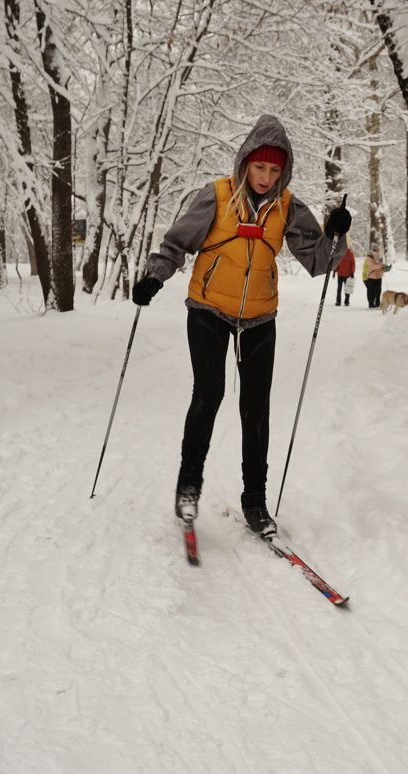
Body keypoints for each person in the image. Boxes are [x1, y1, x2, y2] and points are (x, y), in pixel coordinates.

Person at [130, 115, 351, 537]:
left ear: (283, 170)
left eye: (274, 169)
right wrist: (154, 277)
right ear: (246, 162)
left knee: (256, 407)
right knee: (209, 392)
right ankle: (189, 485)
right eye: (260, 167)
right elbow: (178, 242)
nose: (266, 177)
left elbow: (319, 260)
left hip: (259, 317)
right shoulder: (217, 195)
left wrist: (336, 235)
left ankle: (255, 502)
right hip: (208, 309)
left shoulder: (288, 207)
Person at [334, 241, 355, 306]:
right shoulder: (349, 253)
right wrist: (334, 271)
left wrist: (352, 272)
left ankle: (341, 302)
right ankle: (345, 302)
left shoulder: (345, 253)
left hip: (343, 274)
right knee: (345, 288)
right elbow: (337, 263)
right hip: (344, 274)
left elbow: (352, 264)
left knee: (342, 288)